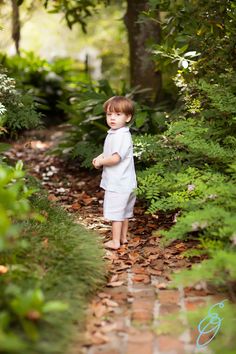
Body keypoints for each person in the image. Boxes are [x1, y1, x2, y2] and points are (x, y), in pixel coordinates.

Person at [92, 96, 137, 250]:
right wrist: (100, 157)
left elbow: (115, 158)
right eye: (109, 114)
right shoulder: (118, 133)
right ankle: (123, 238)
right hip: (127, 183)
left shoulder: (121, 135)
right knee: (124, 212)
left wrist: (101, 162)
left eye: (118, 115)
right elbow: (110, 153)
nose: (112, 118)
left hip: (118, 184)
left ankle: (115, 241)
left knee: (116, 214)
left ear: (128, 117)